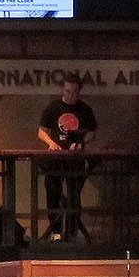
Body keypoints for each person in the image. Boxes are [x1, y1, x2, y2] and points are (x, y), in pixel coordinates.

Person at [36, 73, 98, 240]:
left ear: (79, 92)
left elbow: (92, 132)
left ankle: (72, 233)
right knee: (53, 195)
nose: (70, 95)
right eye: (67, 91)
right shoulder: (53, 108)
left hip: (75, 159)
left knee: (74, 196)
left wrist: (81, 142)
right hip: (55, 158)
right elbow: (41, 132)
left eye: (74, 92)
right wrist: (51, 143)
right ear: (63, 90)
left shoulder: (85, 110)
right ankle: (56, 234)